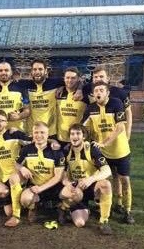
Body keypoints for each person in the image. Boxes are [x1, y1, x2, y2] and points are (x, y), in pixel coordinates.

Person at [82, 65, 132, 214]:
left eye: (101, 90)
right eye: (96, 90)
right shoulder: (91, 108)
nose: (98, 92)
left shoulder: (116, 102)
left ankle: (127, 210)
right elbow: (83, 128)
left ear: (107, 92)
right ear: (93, 93)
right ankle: (109, 205)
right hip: (102, 151)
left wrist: (105, 143)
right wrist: (81, 140)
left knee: (124, 179)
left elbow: (120, 127)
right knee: (105, 178)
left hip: (119, 150)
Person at [58, 124, 113, 235]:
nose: (75, 136)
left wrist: (91, 179)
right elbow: (62, 174)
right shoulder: (66, 151)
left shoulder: (92, 149)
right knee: (80, 223)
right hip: (76, 188)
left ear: (84, 136)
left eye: (78, 133)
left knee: (106, 184)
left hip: (91, 186)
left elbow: (107, 171)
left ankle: (104, 221)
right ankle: (64, 207)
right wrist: (69, 184)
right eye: (72, 134)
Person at [14, 121, 65, 225]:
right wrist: (22, 168)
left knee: (70, 193)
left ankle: (62, 208)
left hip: (53, 187)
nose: (39, 135)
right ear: (32, 134)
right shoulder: (26, 149)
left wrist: (41, 188)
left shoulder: (56, 150)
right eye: (36, 132)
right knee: (24, 199)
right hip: (35, 186)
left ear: (48, 134)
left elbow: (58, 177)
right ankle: (33, 207)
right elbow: (16, 164)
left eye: (42, 132)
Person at [23, 59, 64, 137]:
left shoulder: (54, 83)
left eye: (40, 69)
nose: (37, 72)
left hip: (50, 132)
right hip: (32, 132)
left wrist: (63, 87)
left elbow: (75, 81)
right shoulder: (25, 84)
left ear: (46, 71)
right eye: (35, 69)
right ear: (31, 71)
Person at [0, 61, 30, 131]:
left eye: (6, 70)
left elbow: (27, 110)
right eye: (0, 70)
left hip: (17, 131)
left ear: (11, 72)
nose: (3, 73)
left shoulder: (20, 88)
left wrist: (19, 116)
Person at [55, 67, 89, 145]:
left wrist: (80, 88)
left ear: (78, 79)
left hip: (77, 138)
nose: (70, 80)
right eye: (67, 77)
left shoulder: (84, 95)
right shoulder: (58, 93)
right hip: (59, 138)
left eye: (73, 78)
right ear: (64, 78)